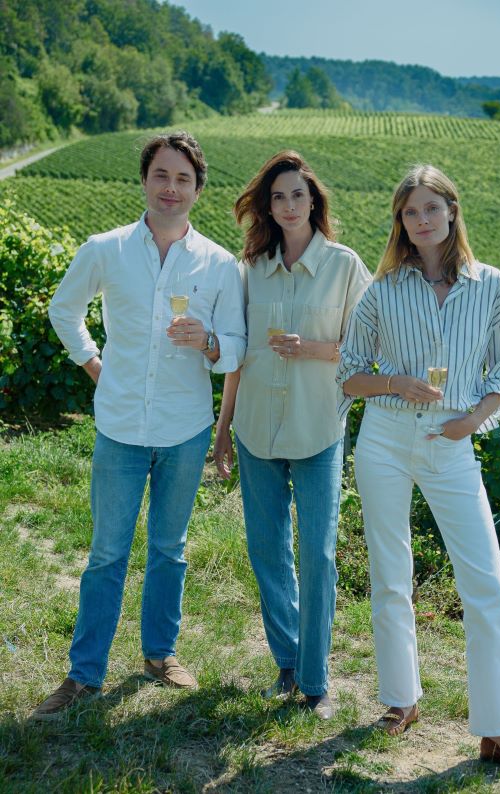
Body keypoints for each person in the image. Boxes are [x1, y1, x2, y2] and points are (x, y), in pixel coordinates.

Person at [337, 164, 500, 768]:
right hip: (385, 437)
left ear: (452, 211)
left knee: (486, 582)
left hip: (452, 441)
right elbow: (349, 373)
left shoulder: (491, 286)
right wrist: (397, 383)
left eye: (431, 208)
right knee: (391, 573)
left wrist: (472, 421)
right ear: (401, 222)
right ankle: (401, 700)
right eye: (411, 212)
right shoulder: (383, 290)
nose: (422, 220)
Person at [33, 132, 246, 719]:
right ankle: (84, 675)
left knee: (170, 548)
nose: (170, 188)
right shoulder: (106, 249)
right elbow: (64, 309)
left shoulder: (218, 264)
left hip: (184, 428)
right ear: (145, 180)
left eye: (183, 179)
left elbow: (236, 346)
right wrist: (93, 364)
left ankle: (160, 654)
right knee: (107, 552)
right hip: (121, 424)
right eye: (161, 175)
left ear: (197, 189)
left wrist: (208, 342)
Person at [210, 151, 371, 719]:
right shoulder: (251, 267)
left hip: (318, 427)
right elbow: (237, 355)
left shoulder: (345, 266)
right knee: (266, 549)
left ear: (313, 201)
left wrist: (314, 350)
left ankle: (316, 680)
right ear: (267, 206)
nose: (288, 206)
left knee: (319, 553)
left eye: (297, 195)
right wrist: (223, 431)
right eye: (277, 197)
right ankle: (287, 662)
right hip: (255, 427)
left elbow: (367, 350)